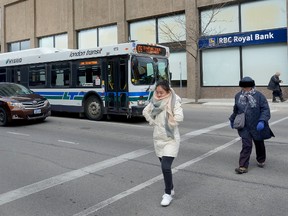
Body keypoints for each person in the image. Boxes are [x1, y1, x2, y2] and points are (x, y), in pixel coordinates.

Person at [142, 80, 184, 206]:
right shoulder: (154, 101)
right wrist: (152, 122)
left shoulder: (174, 101)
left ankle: (167, 194)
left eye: (161, 92)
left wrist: (171, 122)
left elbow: (179, 117)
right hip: (158, 139)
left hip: (171, 139)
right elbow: (145, 111)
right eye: (157, 92)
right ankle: (170, 188)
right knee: (165, 168)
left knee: (165, 167)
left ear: (168, 91)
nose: (159, 95)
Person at [229, 77, 274, 174]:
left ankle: (261, 159)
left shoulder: (259, 96)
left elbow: (265, 109)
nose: (245, 89)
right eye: (244, 87)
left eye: (247, 87)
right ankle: (243, 166)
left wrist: (262, 121)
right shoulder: (238, 96)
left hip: (257, 124)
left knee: (259, 144)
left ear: (252, 86)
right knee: (246, 145)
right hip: (244, 126)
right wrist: (232, 119)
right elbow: (236, 110)